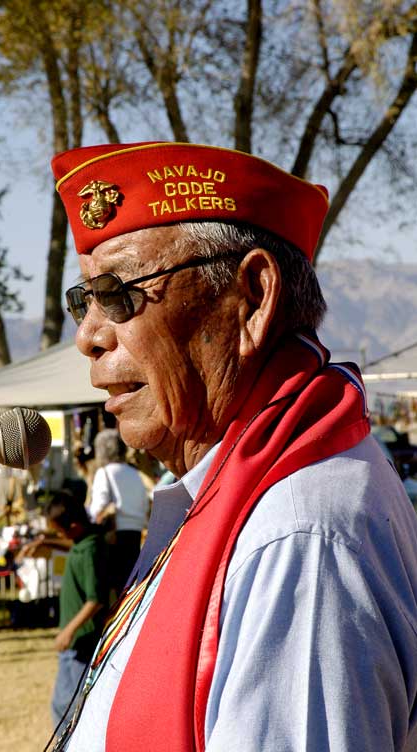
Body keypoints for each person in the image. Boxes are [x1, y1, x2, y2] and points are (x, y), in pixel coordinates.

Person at [49, 142, 417, 751]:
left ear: (251, 297)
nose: (88, 336)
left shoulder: (299, 536)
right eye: (81, 299)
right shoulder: (235, 492)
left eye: (117, 292)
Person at [45, 490, 108, 731]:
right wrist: (44, 543)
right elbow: (70, 544)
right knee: (62, 704)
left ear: (72, 526)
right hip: (74, 646)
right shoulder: (83, 541)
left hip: (81, 642)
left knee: (68, 706)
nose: (60, 536)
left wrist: (68, 631)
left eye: (59, 531)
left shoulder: (90, 550)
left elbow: (96, 599)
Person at [90, 429, 149, 594]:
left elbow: (98, 507)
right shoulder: (135, 474)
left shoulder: (104, 473)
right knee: (129, 587)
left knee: (111, 590)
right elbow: (144, 505)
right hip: (135, 534)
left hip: (113, 535)